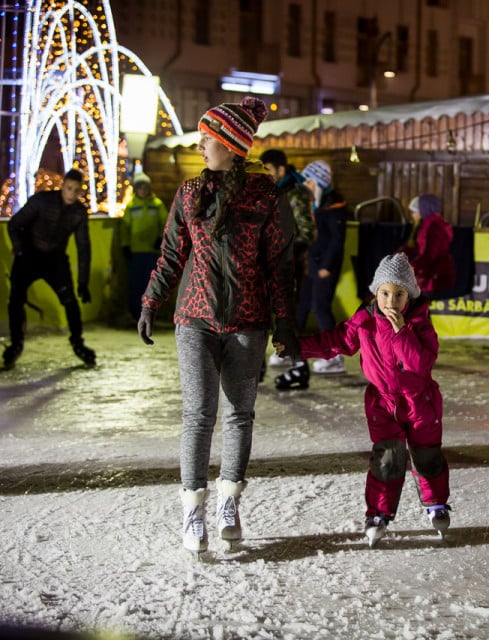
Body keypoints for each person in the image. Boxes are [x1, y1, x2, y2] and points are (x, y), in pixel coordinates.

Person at [136, 96, 299, 554]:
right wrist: (151, 301)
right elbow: (171, 253)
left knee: (239, 414)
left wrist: (285, 323)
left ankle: (229, 503)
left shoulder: (266, 196)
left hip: (248, 322)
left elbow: (280, 266)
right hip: (195, 319)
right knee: (199, 414)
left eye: (209, 137)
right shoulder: (191, 193)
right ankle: (193, 510)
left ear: (231, 144)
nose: (201, 144)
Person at [275, 252, 451, 547]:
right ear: (375, 293)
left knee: (427, 456)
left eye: (399, 295)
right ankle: (378, 513)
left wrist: (401, 331)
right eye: (384, 293)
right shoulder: (365, 321)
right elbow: (334, 342)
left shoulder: (420, 324)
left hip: (421, 403)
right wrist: (297, 349)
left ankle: (436, 504)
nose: (390, 302)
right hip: (382, 405)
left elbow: (420, 363)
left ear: (410, 297)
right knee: (387, 458)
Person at [4, 168, 96, 368]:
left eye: (76, 191)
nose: (72, 194)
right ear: (62, 185)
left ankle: (78, 343)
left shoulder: (78, 212)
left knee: (70, 302)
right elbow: (14, 224)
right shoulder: (42, 201)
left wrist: (83, 282)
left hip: (55, 260)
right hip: (29, 255)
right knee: (16, 300)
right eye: (69, 188)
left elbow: (83, 247)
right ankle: (16, 343)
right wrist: (20, 250)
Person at [275, 159, 348, 389]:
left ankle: (335, 356)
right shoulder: (310, 205)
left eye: (309, 180)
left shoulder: (333, 205)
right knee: (300, 306)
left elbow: (336, 240)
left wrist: (327, 265)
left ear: (319, 183)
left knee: (320, 308)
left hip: (324, 268)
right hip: (308, 265)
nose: (305, 184)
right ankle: (290, 348)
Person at [260, 148, 315, 369]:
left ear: (281, 169)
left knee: (287, 311)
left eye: (269, 170)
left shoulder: (296, 193)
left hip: (288, 264)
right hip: (264, 262)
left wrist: (285, 252)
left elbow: (307, 231)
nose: (266, 174)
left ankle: (295, 359)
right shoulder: (266, 191)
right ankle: (268, 356)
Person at [121, 172, 169, 321]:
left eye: (145, 187)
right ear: (136, 189)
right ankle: (136, 312)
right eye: (140, 187)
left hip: (152, 251)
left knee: (151, 284)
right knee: (136, 283)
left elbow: (166, 224)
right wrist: (125, 245)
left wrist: (160, 239)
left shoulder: (157, 204)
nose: (143, 190)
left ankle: (151, 311)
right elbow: (125, 228)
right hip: (136, 252)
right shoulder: (131, 206)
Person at [401, 194, 455, 296]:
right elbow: (418, 248)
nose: (412, 215)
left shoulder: (433, 226)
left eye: (414, 211)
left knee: (418, 307)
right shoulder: (427, 225)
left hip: (430, 274)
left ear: (424, 210)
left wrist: (412, 268)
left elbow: (430, 254)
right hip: (427, 273)